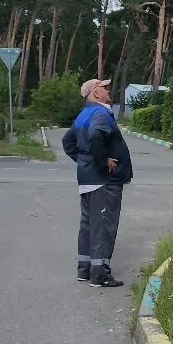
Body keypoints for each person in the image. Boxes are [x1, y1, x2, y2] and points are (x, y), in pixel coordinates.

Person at [62, 78, 133, 288]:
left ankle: (84, 270)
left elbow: (68, 143)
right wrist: (102, 161)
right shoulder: (100, 113)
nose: (107, 90)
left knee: (88, 223)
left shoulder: (84, 114)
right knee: (103, 225)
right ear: (95, 94)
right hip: (104, 180)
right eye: (104, 88)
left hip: (87, 177)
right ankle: (100, 274)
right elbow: (95, 135)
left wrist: (85, 160)